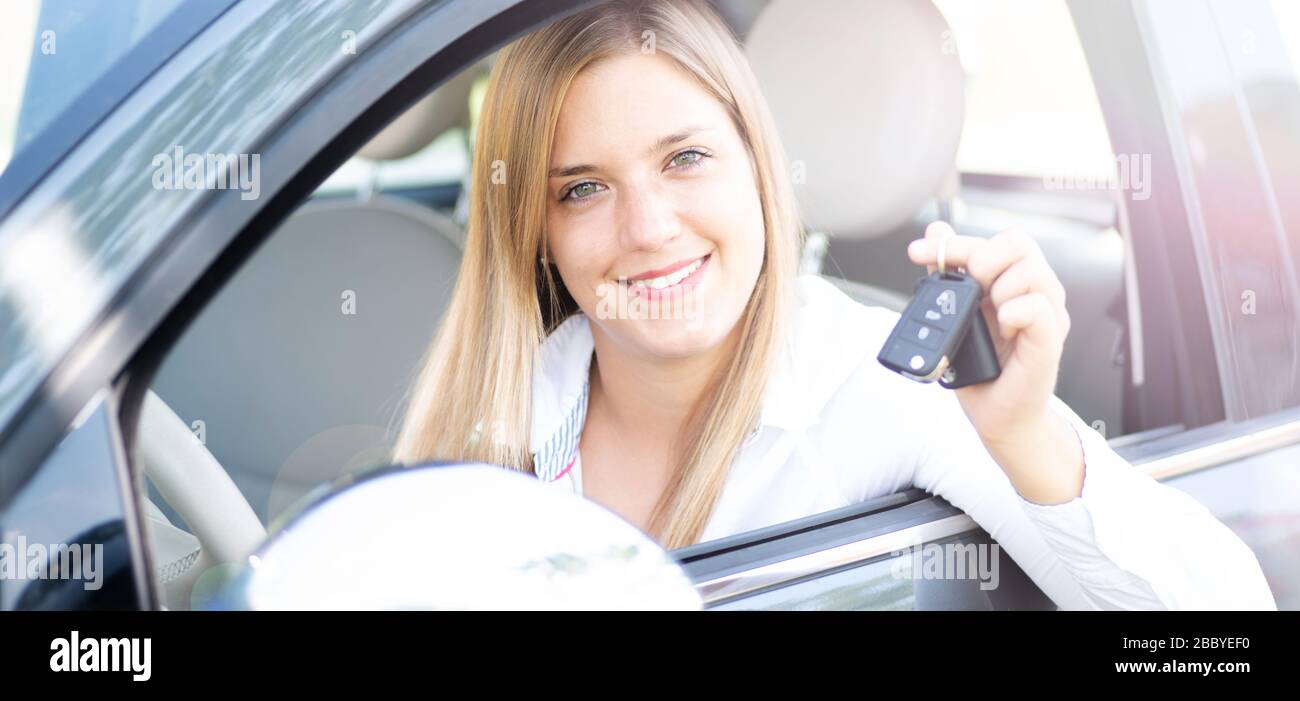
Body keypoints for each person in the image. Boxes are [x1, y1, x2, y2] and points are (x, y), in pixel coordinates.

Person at [393, 0, 1275, 610]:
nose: (650, 228)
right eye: (583, 189)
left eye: (686, 158)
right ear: (533, 228)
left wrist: (1027, 437)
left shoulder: (885, 385)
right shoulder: (504, 406)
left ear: (758, 164)